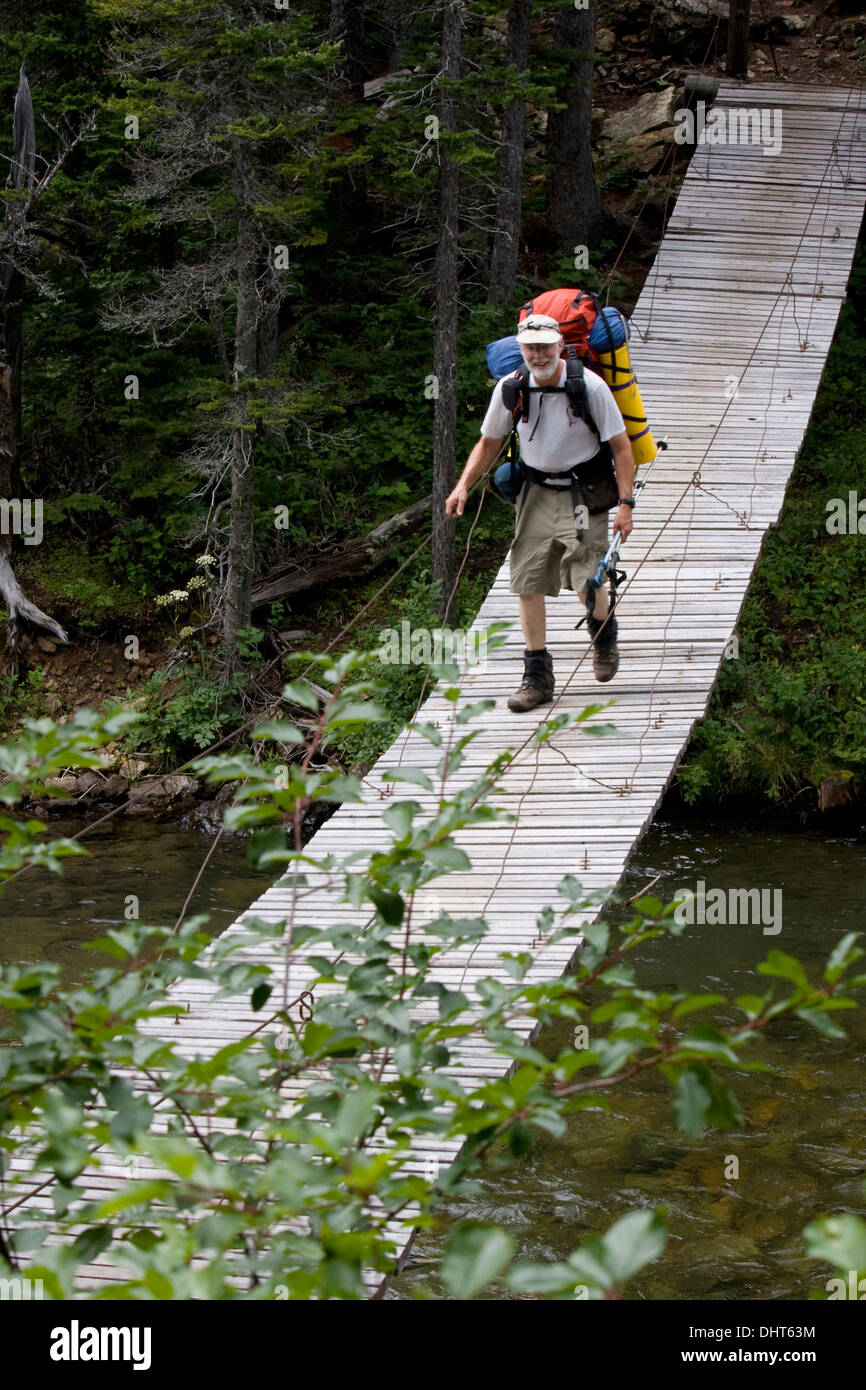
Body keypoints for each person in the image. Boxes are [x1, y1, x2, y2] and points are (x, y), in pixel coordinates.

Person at [445, 312, 636, 712]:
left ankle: (603, 637)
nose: (538, 355)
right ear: (522, 350)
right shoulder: (511, 388)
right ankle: (537, 677)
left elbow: (621, 447)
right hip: (534, 492)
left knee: (587, 575)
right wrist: (462, 486)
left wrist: (625, 505)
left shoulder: (590, 387)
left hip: (583, 493)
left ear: (560, 347)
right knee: (527, 579)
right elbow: (488, 443)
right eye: (531, 348)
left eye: (545, 347)